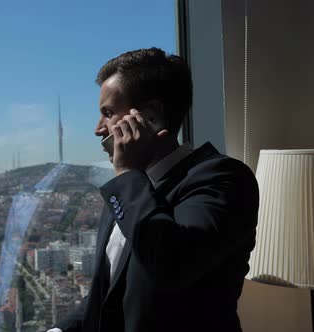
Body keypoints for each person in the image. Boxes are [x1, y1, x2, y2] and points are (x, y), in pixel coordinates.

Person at [47, 48, 259, 332]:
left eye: (108, 113)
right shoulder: (127, 190)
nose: (98, 129)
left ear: (150, 116)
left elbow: (171, 265)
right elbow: (109, 294)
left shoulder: (224, 179)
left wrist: (127, 173)